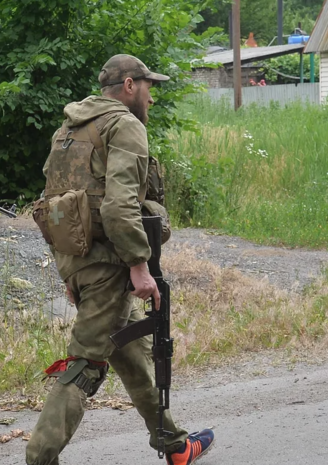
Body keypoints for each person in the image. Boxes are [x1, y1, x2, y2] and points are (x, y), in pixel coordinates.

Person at [27, 54, 215, 465]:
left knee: (130, 350)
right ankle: (39, 457)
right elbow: (118, 208)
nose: (151, 96)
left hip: (80, 261)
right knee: (86, 362)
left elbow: (49, 204)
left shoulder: (69, 130)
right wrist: (139, 266)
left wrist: (71, 269)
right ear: (129, 86)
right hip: (110, 265)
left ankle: (176, 445)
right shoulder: (124, 126)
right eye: (148, 87)